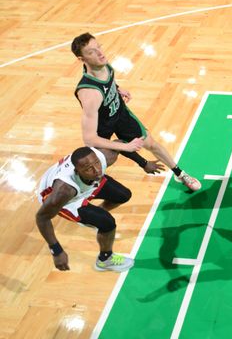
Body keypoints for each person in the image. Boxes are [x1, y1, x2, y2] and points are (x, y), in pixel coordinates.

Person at [71, 33, 200, 191]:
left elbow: (108, 81)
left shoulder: (102, 63)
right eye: (91, 52)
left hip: (119, 114)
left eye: (99, 47)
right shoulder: (90, 93)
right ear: (81, 59)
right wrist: (126, 147)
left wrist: (117, 89)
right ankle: (79, 189)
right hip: (101, 127)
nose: (100, 53)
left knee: (151, 143)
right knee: (97, 165)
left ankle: (180, 174)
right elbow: (89, 139)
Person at [35, 146, 135, 272]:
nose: (97, 170)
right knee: (107, 223)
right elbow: (41, 218)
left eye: (97, 163)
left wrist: (144, 163)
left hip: (87, 183)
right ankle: (105, 260)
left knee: (123, 195)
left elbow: (122, 144)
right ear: (77, 171)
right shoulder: (64, 191)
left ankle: (91, 219)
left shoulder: (102, 160)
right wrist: (56, 250)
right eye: (89, 168)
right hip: (67, 201)